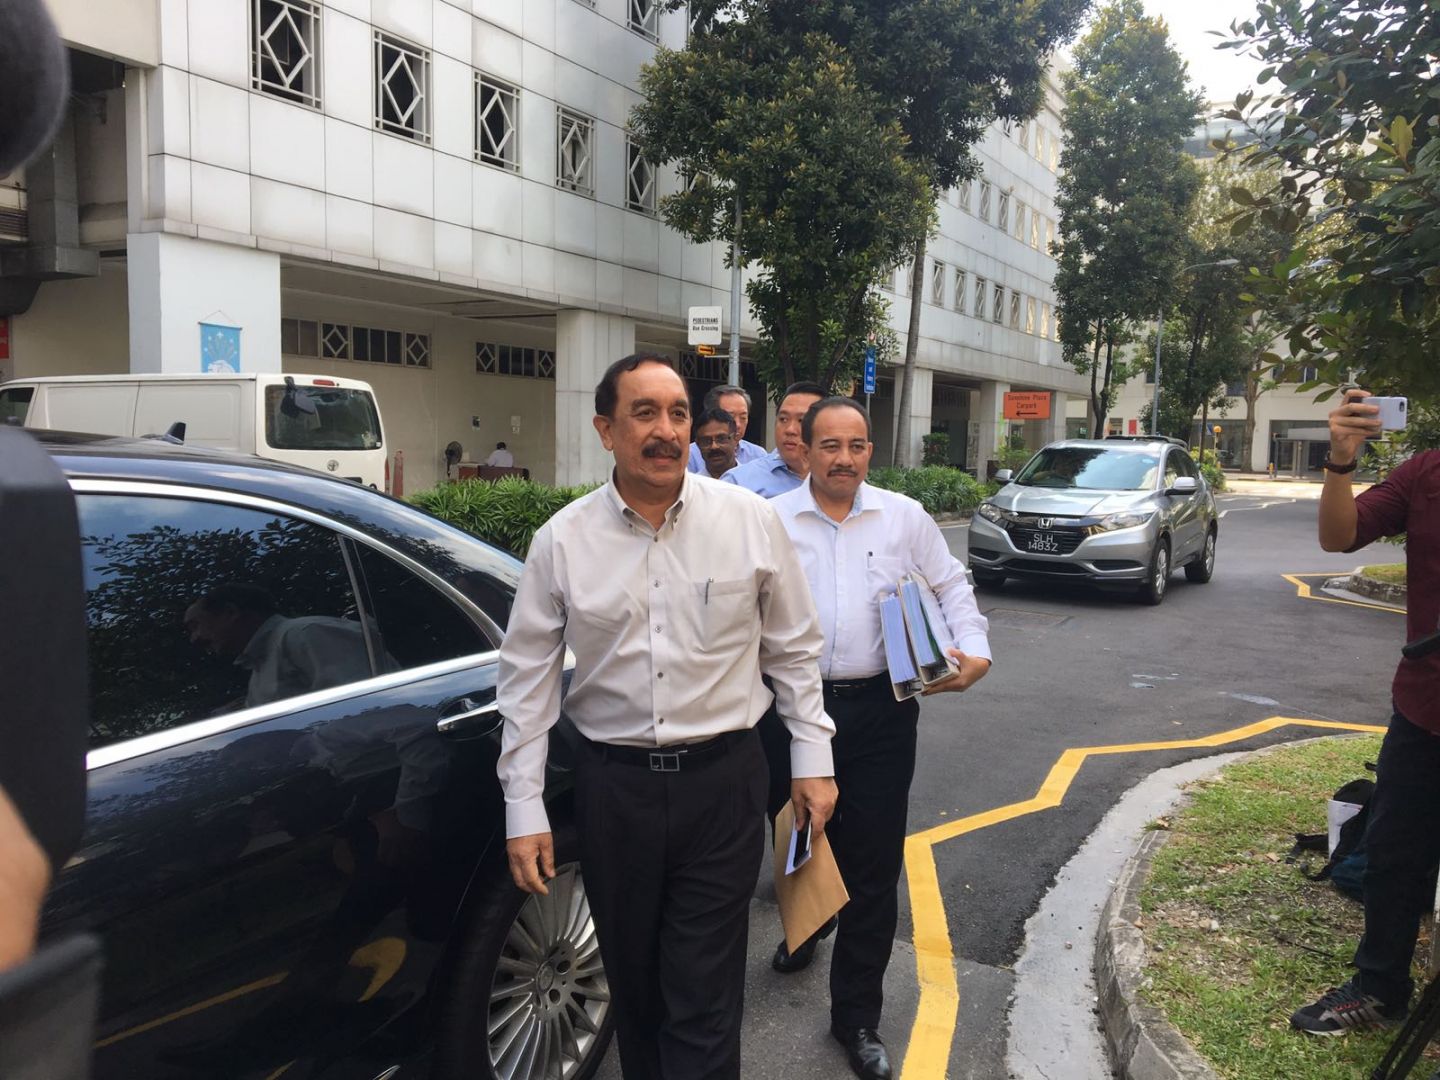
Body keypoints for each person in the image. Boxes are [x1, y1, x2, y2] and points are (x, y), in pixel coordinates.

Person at [496, 353, 838, 1079]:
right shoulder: (562, 540)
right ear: (606, 429)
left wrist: (812, 758)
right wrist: (523, 805)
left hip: (724, 785)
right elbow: (526, 682)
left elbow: (793, 649)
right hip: (614, 790)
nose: (666, 431)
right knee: (637, 988)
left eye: (677, 413)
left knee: (704, 994)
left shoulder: (748, 522)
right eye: (644, 413)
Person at [766, 397, 992, 1080]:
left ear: (871, 451)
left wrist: (973, 649)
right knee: (794, 835)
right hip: (785, 712)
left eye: (857, 445)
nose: (844, 458)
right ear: (802, 450)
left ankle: (855, 1017)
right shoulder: (768, 521)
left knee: (872, 866)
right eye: (829, 445)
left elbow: (952, 584)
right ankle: (805, 923)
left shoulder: (904, 518)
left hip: (880, 713)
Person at [1290, 389, 1440, 1036]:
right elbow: (1337, 536)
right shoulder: (1426, 473)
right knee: (1393, 855)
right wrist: (1342, 461)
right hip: (1424, 704)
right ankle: (1380, 987)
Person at [183, 584, 377, 708]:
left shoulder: (306, 634)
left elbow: (370, 707)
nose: (194, 639)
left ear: (230, 612)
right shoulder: (259, 667)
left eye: (195, 626)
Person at [720, 381, 824, 497]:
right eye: (783, 419)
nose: (790, 430)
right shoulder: (738, 483)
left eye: (802, 420)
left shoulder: (840, 480)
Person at [687, 385, 765, 473]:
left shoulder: (758, 455)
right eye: (730, 417)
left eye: (743, 417)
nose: (738, 424)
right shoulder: (689, 455)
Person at [693, 406, 740, 480]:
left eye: (721, 439)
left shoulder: (753, 482)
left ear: (736, 439)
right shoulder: (692, 488)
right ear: (697, 444)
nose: (714, 446)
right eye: (706, 441)